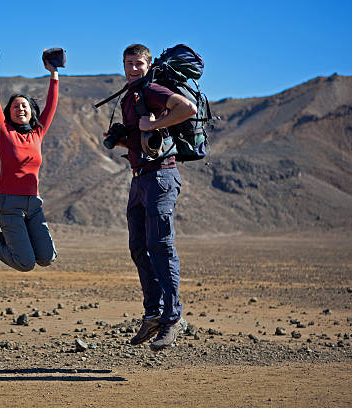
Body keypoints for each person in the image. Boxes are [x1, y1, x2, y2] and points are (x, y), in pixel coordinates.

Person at [114, 44, 197, 350]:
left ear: (148, 65)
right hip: (139, 180)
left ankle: (172, 318)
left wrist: (155, 124)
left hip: (161, 177)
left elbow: (188, 109)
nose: (133, 68)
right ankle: (153, 313)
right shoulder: (130, 96)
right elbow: (143, 134)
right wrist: (123, 138)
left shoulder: (153, 90)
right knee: (138, 246)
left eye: (138, 63)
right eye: (128, 63)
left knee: (160, 246)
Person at [0, 51, 59, 271]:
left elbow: (52, 105)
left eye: (24, 105)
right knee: (25, 263)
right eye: (15, 106)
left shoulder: (38, 132)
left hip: (34, 204)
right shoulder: (4, 131)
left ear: (31, 111)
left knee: (46, 258)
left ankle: (6, 241)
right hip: (9, 204)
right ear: (9, 112)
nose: (20, 109)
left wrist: (54, 73)